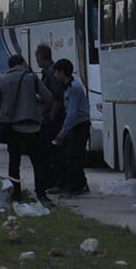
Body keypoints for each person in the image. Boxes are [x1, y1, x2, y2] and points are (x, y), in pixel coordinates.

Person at [0, 54, 52, 202]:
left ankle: (16, 194)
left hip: (13, 128)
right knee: (38, 162)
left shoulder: (3, 80)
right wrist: (39, 110)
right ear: (22, 63)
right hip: (33, 127)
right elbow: (48, 97)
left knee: (14, 163)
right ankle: (41, 194)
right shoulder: (31, 78)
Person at [53, 58, 90, 195]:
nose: (55, 75)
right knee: (71, 155)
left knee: (74, 157)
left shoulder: (74, 87)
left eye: (56, 72)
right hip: (74, 126)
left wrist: (62, 132)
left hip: (79, 125)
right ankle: (79, 184)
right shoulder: (67, 87)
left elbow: (72, 113)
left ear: (62, 72)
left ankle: (76, 186)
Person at [35, 44, 66, 191]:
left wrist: (52, 116)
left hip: (53, 118)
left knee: (53, 151)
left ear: (41, 57)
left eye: (37, 57)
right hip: (51, 116)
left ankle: (55, 182)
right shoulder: (49, 71)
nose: (37, 60)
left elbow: (56, 97)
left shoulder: (50, 72)